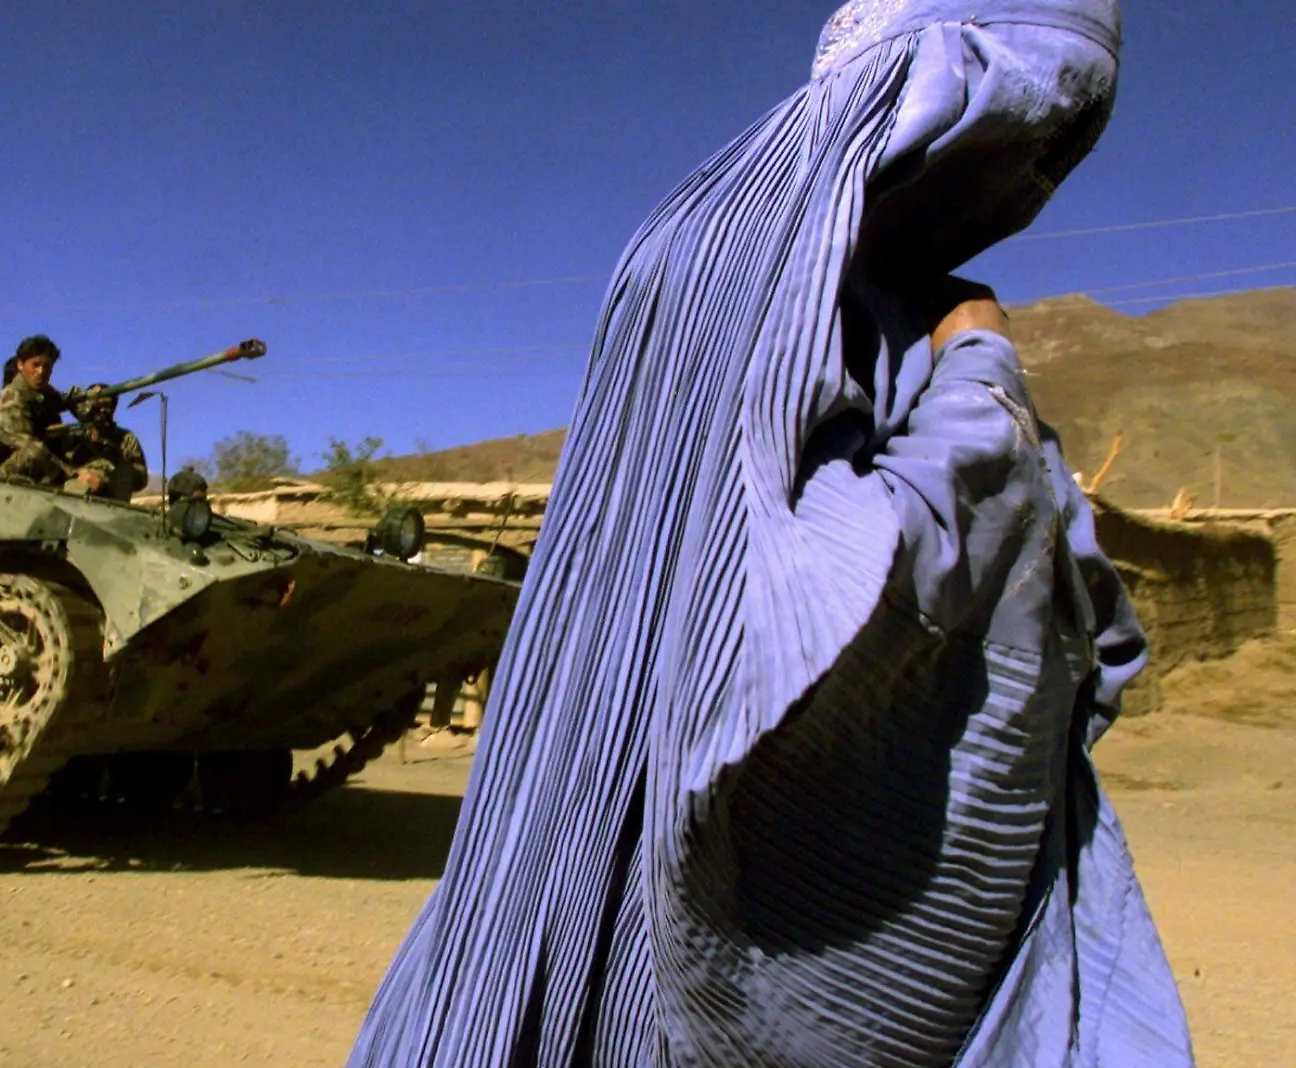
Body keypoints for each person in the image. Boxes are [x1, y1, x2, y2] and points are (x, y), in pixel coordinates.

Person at [349, 3, 1193, 1068]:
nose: (1025, 173)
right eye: (1023, 119)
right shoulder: (807, 261)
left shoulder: (717, 237)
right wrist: (983, 383)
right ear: (929, 82)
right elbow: (826, 594)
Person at [0, 335, 95, 489]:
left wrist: (93, 398)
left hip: (40, 466)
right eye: (35, 365)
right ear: (20, 365)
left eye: (47, 367)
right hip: (2, 474)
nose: (41, 372)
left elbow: (66, 400)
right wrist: (72, 474)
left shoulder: (44, 392)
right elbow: (31, 448)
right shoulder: (13, 397)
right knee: (34, 453)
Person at [54, 384, 149, 500]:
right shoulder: (73, 434)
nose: (103, 410)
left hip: (110, 494)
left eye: (108, 406)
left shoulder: (125, 438)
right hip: (76, 488)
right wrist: (77, 473)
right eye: (99, 405)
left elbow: (141, 476)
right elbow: (55, 463)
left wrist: (116, 457)